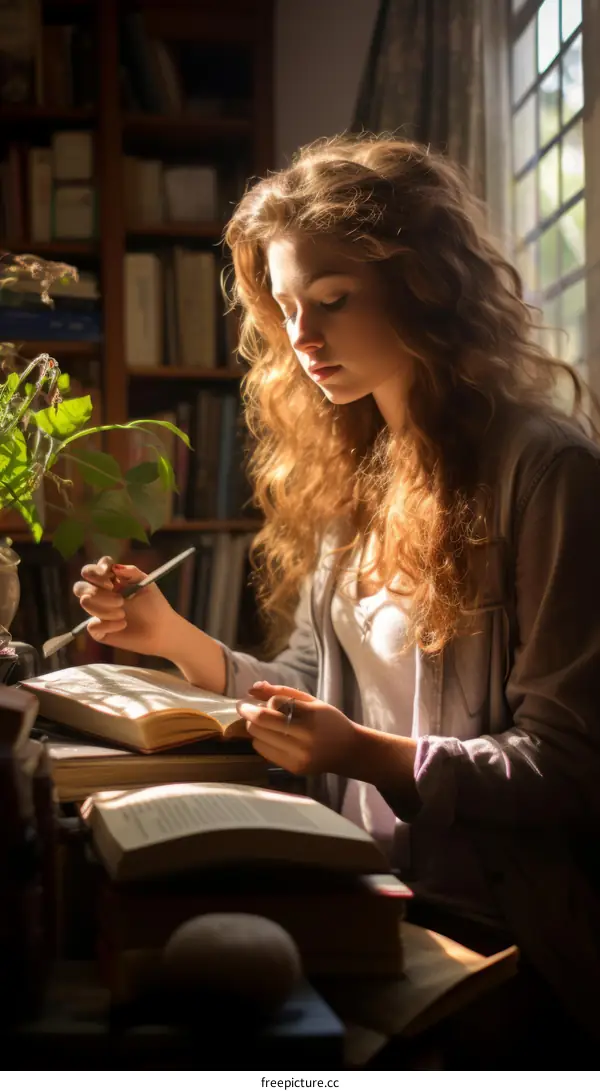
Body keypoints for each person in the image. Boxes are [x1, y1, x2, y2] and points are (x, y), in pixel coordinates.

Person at [74, 134, 600, 1062]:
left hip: (504, 945)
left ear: (428, 286)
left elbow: (568, 767)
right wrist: (171, 638)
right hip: (375, 905)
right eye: (287, 310)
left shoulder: (546, 473)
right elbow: (311, 684)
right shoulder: (361, 475)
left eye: (332, 299)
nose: (304, 337)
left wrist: (369, 753)